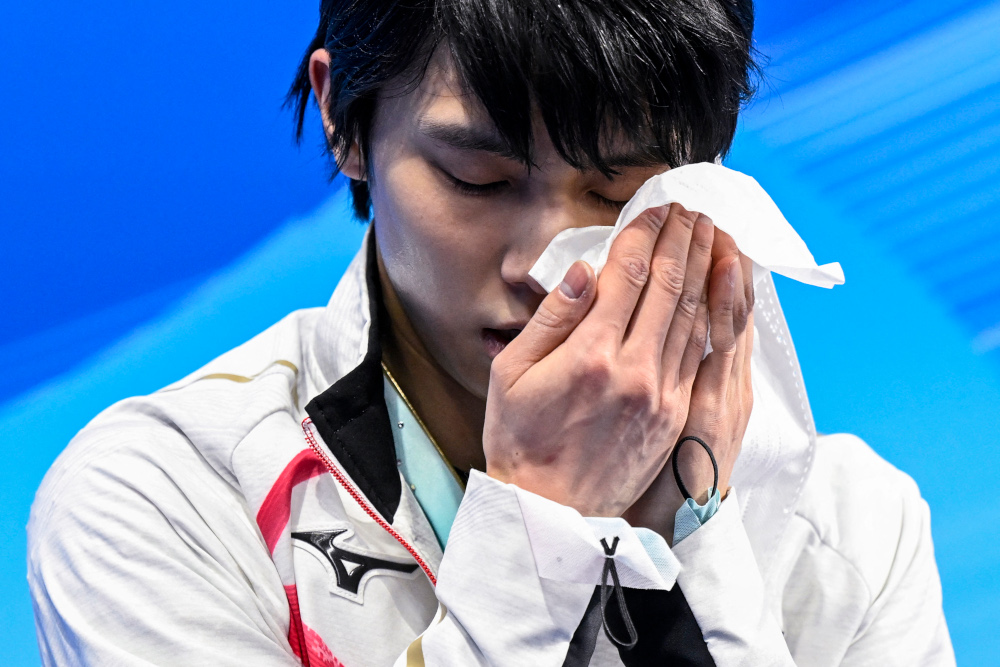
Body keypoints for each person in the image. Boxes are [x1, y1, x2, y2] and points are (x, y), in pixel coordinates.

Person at [28, 0, 955, 665]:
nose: (546, 265)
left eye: (620, 191)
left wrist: (694, 532)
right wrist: (542, 520)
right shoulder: (161, 501)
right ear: (342, 116)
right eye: (478, 178)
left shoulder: (856, 533)